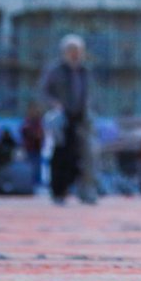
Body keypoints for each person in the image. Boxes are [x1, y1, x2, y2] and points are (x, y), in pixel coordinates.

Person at [40, 33, 97, 204]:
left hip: (81, 118)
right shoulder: (55, 71)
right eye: (71, 50)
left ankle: (86, 191)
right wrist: (54, 104)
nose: (75, 54)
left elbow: (90, 93)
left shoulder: (85, 71)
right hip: (62, 119)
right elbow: (43, 93)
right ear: (64, 52)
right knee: (61, 155)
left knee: (86, 154)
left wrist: (88, 108)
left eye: (77, 50)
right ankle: (59, 191)